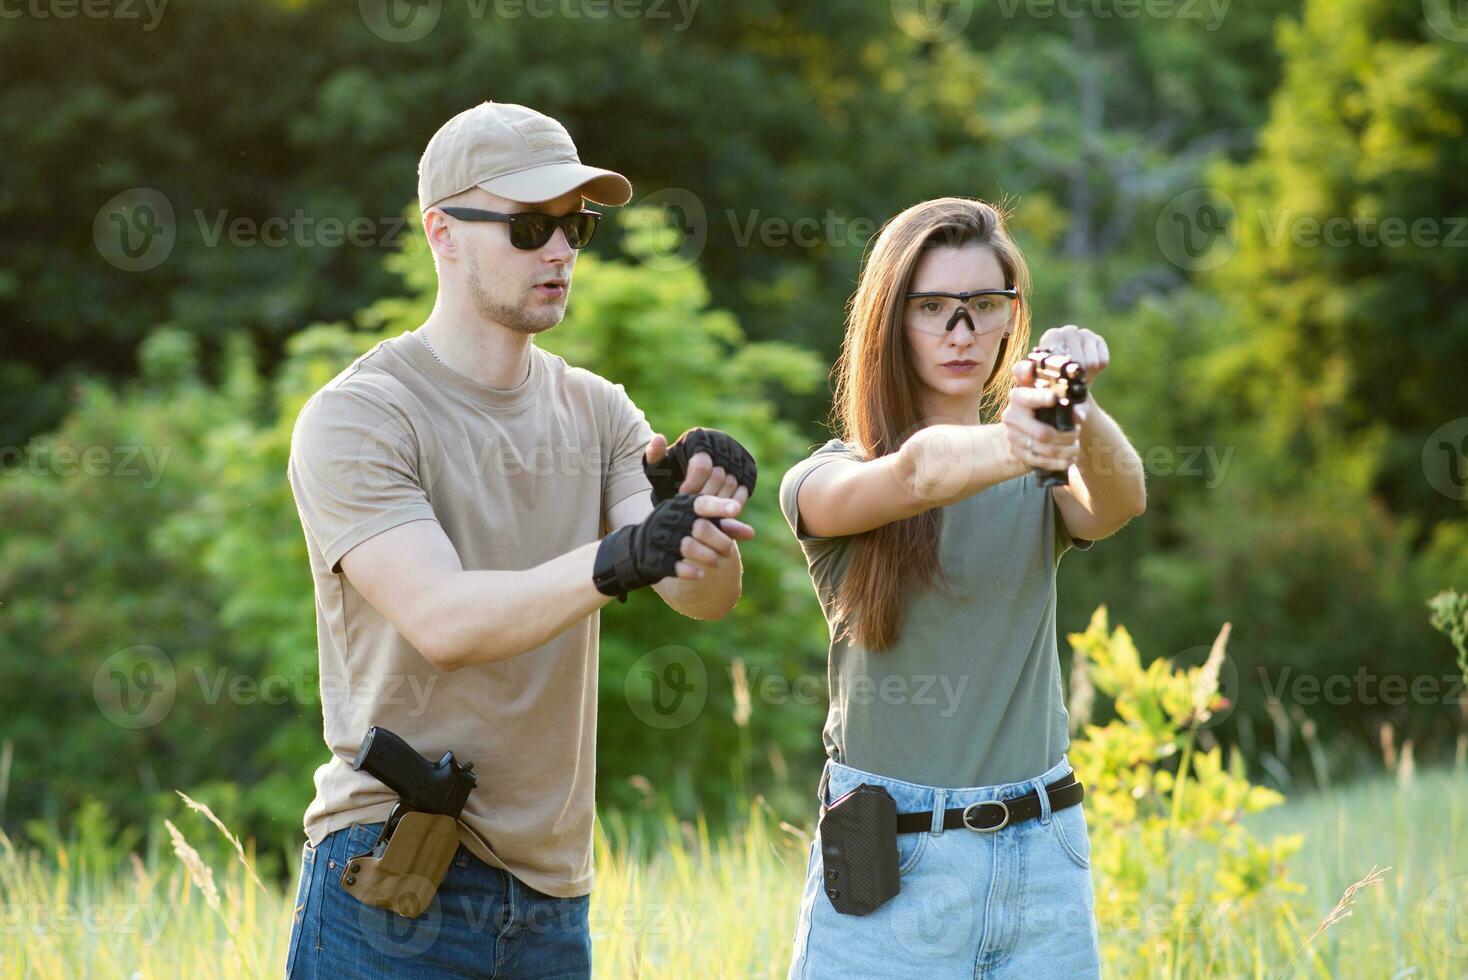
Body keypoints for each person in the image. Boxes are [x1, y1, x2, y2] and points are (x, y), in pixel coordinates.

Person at [282, 100, 757, 979]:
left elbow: (701, 600)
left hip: (551, 900)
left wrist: (692, 523)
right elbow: (447, 623)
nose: (562, 250)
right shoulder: (359, 417)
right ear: (443, 233)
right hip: (390, 883)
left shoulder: (600, 409)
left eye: (575, 226)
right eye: (531, 225)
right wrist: (627, 554)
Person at [779, 197, 1146, 978]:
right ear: (891, 322)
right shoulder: (829, 479)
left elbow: (1121, 502)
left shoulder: (1039, 476)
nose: (963, 331)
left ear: (1011, 318)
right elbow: (920, 471)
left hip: (1041, 857)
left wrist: (1074, 395)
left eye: (985, 307)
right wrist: (1033, 435)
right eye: (934, 308)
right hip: (892, 869)